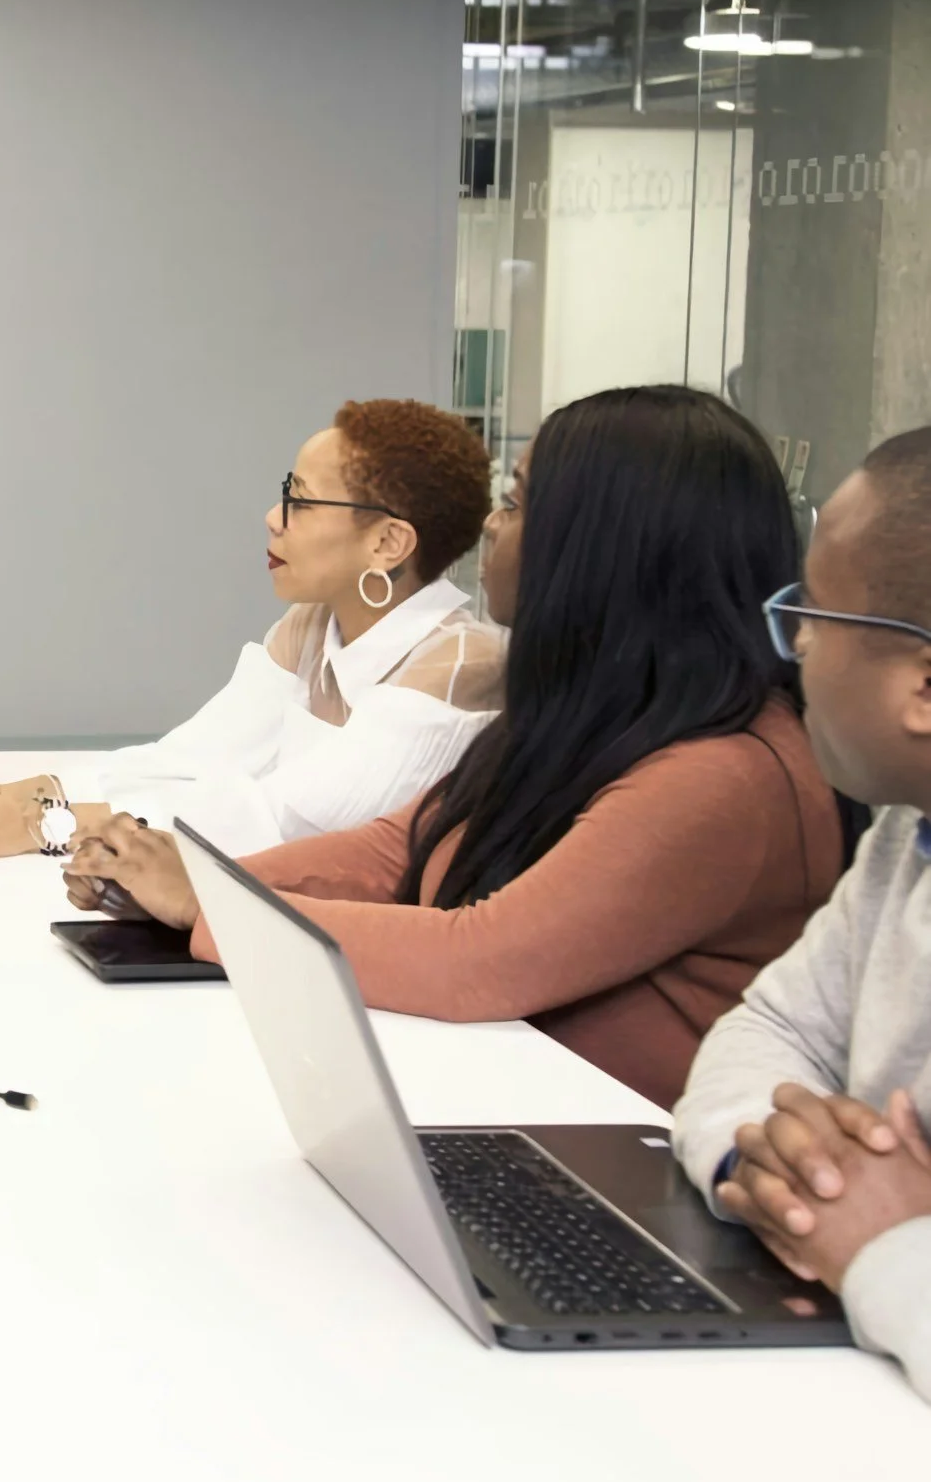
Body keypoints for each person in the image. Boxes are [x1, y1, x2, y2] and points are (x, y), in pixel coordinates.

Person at [75, 386, 844, 1108]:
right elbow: (397, 848)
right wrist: (173, 881)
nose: (490, 527)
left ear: (604, 550)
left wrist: (208, 898)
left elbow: (479, 957)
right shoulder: (591, 715)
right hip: (495, 1091)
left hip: (601, 1160)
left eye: (515, 503)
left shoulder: (723, 773)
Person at [0, 399, 499, 859]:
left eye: (303, 502)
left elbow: (273, 827)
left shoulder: (458, 669)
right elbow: (187, 762)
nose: (273, 517)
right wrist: (4, 796)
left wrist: (41, 824)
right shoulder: (314, 626)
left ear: (388, 542)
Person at [670, 425, 931, 1402]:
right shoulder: (902, 838)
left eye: (812, 615)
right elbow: (772, 1028)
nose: (796, 649)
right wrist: (776, 1156)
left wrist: (894, 1244)